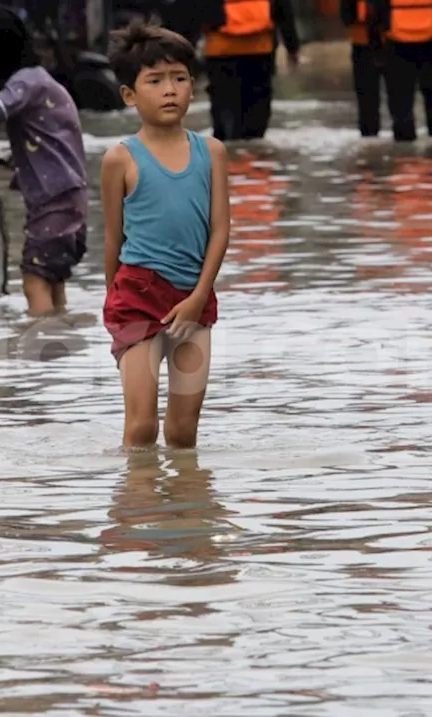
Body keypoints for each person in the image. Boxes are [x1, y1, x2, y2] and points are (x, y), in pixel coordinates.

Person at [100, 22, 230, 450]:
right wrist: (112, 304)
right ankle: (134, 510)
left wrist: (197, 297)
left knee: (182, 433)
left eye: (179, 79)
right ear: (130, 96)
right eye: (155, 81)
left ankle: (183, 511)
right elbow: (113, 240)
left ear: (193, 86)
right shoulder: (120, 159)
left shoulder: (211, 152)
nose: (169, 90)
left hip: (194, 297)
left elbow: (220, 230)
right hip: (136, 296)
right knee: (141, 429)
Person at [0, 6, 88, 316]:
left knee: (34, 279)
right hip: (71, 200)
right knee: (52, 278)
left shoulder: (26, 83)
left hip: (54, 203)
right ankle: (58, 352)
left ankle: (39, 351)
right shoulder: (40, 81)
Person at [199, 0, 301, 141]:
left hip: (221, 52)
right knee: (257, 111)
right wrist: (292, 47)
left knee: (225, 108)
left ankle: (229, 151)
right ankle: (253, 153)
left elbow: (191, 12)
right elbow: (284, 10)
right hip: (260, 49)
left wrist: (183, 51)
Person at [371, 0, 432, 142]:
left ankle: (404, 147)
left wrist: (376, 42)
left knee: (400, 100)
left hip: (396, 39)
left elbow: (375, 10)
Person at [340, 0, 385, 138]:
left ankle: (370, 136)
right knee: (401, 101)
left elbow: (346, 16)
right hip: (394, 41)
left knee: (367, 101)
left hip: (367, 42)